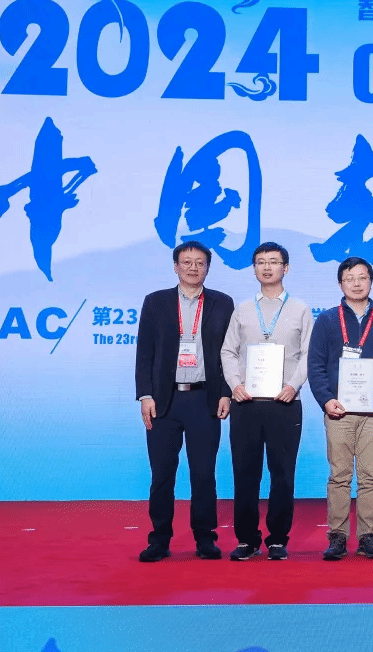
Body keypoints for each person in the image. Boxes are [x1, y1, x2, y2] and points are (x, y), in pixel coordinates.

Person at [135, 241, 235, 562]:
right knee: (162, 475)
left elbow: (229, 353)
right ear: (175, 266)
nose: (193, 268)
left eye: (200, 263)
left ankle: (205, 538)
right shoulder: (156, 302)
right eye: (187, 262)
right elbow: (145, 352)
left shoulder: (222, 303)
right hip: (164, 401)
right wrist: (145, 395)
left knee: (203, 474)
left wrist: (226, 392)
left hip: (205, 399)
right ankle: (159, 539)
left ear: (208, 267)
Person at [220, 242, 312, 561]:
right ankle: (247, 539)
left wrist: (293, 385)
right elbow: (228, 351)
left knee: (282, 473)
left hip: (284, 403)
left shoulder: (300, 309)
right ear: (254, 269)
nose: (267, 267)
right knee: (245, 472)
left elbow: (308, 354)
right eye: (261, 262)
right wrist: (235, 384)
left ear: (286, 268)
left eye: (273, 261)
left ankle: (277, 538)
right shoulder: (243, 309)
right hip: (246, 403)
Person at [308, 256, 373, 561]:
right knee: (339, 474)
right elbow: (315, 365)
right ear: (341, 284)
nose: (356, 283)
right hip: (338, 409)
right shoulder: (326, 320)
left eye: (362, 277)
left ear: (371, 282)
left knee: (370, 475)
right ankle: (337, 536)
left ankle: (368, 536)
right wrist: (326, 400)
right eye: (350, 278)